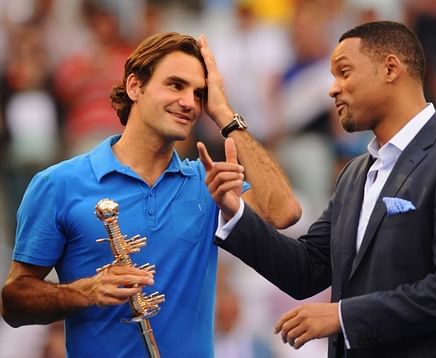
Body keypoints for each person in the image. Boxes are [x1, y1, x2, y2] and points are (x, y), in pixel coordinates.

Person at [200, 21, 436, 357]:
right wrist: (235, 212)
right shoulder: (355, 173)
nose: (333, 89)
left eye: (344, 72)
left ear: (390, 68)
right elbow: (308, 269)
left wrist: (345, 315)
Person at [0, 32, 301, 358]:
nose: (189, 102)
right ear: (134, 86)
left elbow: (283, 212)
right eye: (175, 85)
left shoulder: (208, 182)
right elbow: (13, 301)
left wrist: (225, 114)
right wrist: (86, 292)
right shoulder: (57, 184)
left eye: (199, 94)